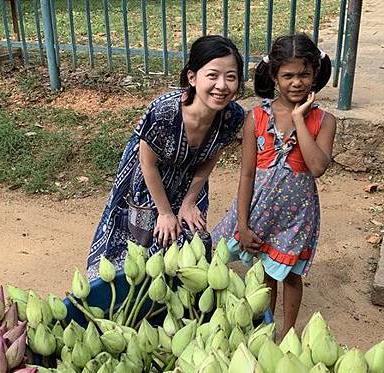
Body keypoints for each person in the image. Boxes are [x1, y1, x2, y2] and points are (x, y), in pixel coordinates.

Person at [87, 35, 246, 279]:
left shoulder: (233, 117)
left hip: (191, 179)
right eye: (212, 75)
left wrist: (189, 202)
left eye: (231, 77)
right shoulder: (164, 112)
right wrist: (164, 212)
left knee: (191, 238)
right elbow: (147, 164)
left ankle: (177, 296)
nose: (222, 85)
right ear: (192, 78)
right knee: (139, 240)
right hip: (148, 176)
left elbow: (209, 159)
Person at [212, 33, 336, 339]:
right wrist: (242, 223)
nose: (297, 83)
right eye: (288, 75)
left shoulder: (325, 120)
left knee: (290, 274)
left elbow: (318, 167)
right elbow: (247, 175)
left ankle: (288, 332)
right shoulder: (256, 117)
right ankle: (265, 330)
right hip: (259, 210)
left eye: (304, 74)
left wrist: (298, 120)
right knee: (262, 272)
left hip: (296, 216)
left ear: (315, 74)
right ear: (274, 76)